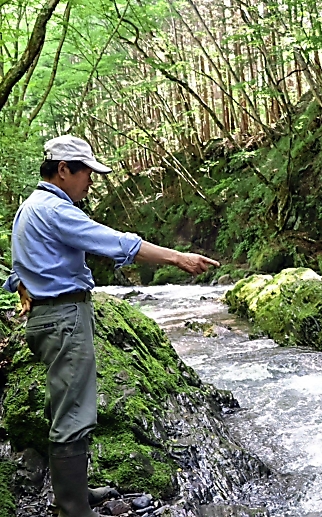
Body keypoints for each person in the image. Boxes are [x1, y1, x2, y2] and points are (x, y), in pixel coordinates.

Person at [2, 135, 219, 517]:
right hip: (64, 319)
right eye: (86, 172)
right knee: (74, 413)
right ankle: (73, 509)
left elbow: (20, 268)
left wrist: (24, 290)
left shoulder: (28, 209)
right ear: (63, 170)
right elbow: (114, 242)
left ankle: (76, 493)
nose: (91, 181)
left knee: (66, 406)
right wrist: (177, 258)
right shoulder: (55, 209)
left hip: (49, 319)